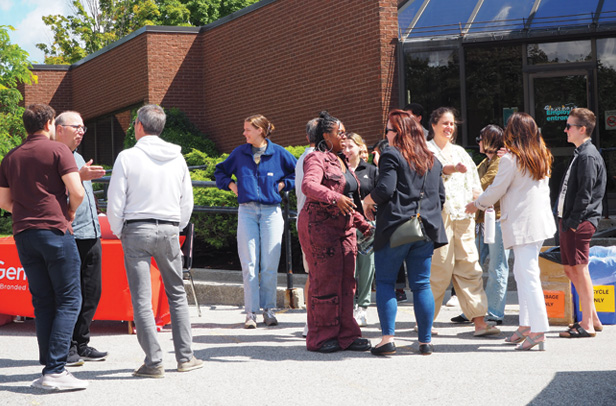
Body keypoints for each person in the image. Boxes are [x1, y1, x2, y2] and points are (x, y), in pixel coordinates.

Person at [107, 104, 203, 377]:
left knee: (141, 298)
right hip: (170, 228)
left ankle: (153, 362)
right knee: (177, 294)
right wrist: (178, 226)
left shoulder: (127, 157)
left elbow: (116, 200)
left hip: (136, 229)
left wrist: (119, 230)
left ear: (138, 124)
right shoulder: (177, 157)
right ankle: (186, 357)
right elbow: (187, 199)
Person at [0, 104, 87, 390]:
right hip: (54, 230)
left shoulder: (10, 157)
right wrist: (70, 212)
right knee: (69, 299)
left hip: (24, 234)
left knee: (43, 300)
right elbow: (76, 192)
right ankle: (56, 370)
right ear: (50, 123)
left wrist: (26, 214)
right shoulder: (58, 151)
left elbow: (3, 202)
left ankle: (49, 366)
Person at [466, 112, 556, 351]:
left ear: (513, 132)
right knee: (525, 272)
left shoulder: (510, 160)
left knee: (527, 276)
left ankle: (538, 329)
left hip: (522, 223)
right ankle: (527, 326)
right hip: (539, 223)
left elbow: (496, 190)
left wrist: (475, 204)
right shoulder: (541, 155)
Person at [364, 109, 447, 356]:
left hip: (396, 227)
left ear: (398, 133)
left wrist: (368, 200)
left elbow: (385, 189)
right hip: (425, 229)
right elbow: (440, 198)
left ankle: (387, 339)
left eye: (388, 130)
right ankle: (425, 342)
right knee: (421, 285)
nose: (386, 135)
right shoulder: (433, 160)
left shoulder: (391, 153)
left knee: (386, 282)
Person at [297, 111, 373, 353]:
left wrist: (362, 223)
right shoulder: (316, 158)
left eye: (344, 131)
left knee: (347, 282)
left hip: (345, 228)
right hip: (319, 226)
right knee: (324, 281)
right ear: (325, 135)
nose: (344, 135)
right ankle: (320, 337)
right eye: (339, 132)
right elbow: (308, 185)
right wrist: (333, 197)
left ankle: (347, 335)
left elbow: (349, 198)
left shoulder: (341, 160)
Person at [215, 114, 297, 329]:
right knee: (249, 264)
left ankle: (269, 310)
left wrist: (282, 185)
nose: (244, 133)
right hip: (247, 211)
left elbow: (298, 172)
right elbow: (220, 171)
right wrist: (232, 186)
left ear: (260, 130)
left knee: (269, 264)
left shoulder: (278, 153)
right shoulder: (239, 153)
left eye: (247, 129)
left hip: (272, 213)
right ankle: (251, 313)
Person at [426, 107, 499, 337]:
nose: (449, 127)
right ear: (434, 125)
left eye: (452, 124)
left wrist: (478, 202)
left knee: (470, 267)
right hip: (439, 217)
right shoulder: (426, 150)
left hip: (464, 217)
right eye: (444, 123)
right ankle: (426, 322)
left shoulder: (461, 152)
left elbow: (475, 184)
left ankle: (479, 322)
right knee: (438, 271)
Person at [55, 111, 108, 365]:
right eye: (76, 127)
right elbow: (52, 192)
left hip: (91, 232)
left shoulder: (76, 156)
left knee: (92, 291)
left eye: (83, 128)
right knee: (71, 294)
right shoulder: (52, 154)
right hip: (70, 234)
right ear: (59, 128)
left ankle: (81, 342)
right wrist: (80, 176)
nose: (81, 132)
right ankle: (67, 348)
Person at [453, 125, 510, 325]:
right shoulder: (486, 161)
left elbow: (482, 186)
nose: (478, 141)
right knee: (471, 266)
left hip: (498, 220)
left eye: (481, 138)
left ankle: (494, 312)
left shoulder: (501, 162)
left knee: (497, 267)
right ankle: (473, 309)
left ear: (491, 141)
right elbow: (470, 181)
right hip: (483, 220)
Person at [557, 108, 606, 338]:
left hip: (580, 221)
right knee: (570, 268)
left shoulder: (587, 155)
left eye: (569, 126)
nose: (565, 129)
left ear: (582, 129)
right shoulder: (581, 153)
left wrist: (574, 222)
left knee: (580, 268)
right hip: (571, 221)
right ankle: (593, 317)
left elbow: (584, 195)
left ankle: (586, 324)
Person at [341, 132, 378, 326]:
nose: (346, 150)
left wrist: (370, 207)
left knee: (366, 267)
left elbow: (382, 194)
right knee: (347, 267)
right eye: (344, 147)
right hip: (344, 225)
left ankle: (362, 306)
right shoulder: (338, 168)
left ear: (359, 148)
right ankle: (347, 305)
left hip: (366, 227)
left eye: (350, 146)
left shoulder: (371, 171)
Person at [296, 118, 318, 337]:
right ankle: (311, 322)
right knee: (315, 274)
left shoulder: (304, 158)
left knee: (314, 274)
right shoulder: (311, 159)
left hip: (308, 224)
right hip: (313, 226)